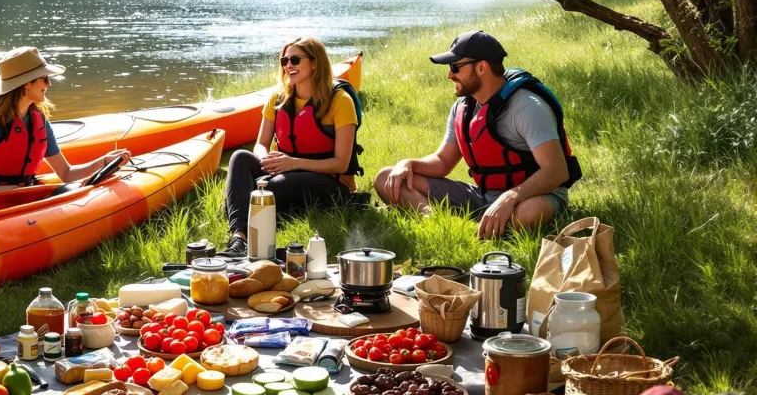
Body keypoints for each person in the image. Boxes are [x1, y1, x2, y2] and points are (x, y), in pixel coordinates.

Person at [374, 30, 581, 239]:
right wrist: (408, 164)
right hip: (482, 197)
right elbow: (442, 161)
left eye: (455, 67)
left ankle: (482, 228)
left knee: (530, 213)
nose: (449, 75)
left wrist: (509, 198)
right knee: (387, 178)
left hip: (535, 196)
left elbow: (556, 171)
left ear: (481, 67)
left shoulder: (527, 107)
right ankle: (436, 223)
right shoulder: (462, 108)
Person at [220, 37, 363, 256]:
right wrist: (265, 158)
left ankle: (241, 207)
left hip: (331, 182)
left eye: (295, 60)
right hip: (285, 169)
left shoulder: (340, 101)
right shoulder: (277, 98)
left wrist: (292, 163)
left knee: (270, 188)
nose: (288, 66)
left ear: (315, 63)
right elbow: (260, 144)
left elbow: (341, 163)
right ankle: (239, 238)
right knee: (239, 157)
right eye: (284, 61)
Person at [0, 46, 130, 193]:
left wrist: (104, 162)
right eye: (45, 78)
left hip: (21, 199)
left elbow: (66, 173)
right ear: (27, 83)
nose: (49, 84)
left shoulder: (39, 122)